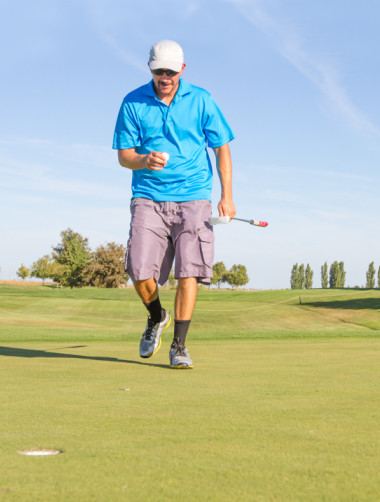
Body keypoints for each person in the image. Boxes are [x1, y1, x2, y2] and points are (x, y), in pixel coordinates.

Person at [113, 40, 235, 369]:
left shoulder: (201, 100)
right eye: (158, 71)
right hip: (148, 196)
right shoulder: (133, 102)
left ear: (182, 69)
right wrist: (143, 159)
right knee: (138, 269)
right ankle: (157, 317)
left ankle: (179, 347)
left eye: (170, 70)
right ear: (150, 69)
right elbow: (124, 155)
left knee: (189, 271)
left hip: (194, 196)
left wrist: (227, 195)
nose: (164, 76)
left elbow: (221, 147)